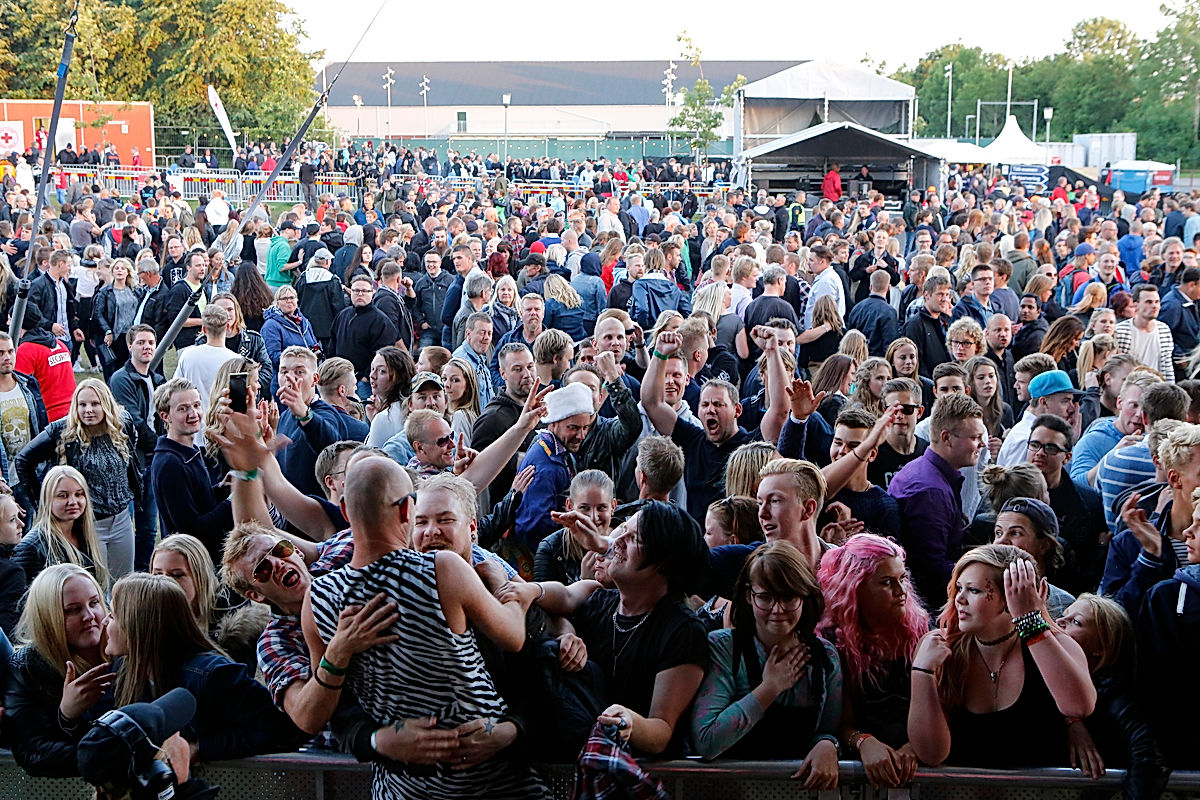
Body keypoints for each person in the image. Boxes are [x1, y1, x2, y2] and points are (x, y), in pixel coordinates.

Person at [304, 457, 547, 798]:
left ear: (344, 510)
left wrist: (512, 730)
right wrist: (516, 593)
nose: (432, 531)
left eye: (445, 520)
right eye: (422, 519)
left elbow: (320, 708)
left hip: (403, 789)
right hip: (492, 785)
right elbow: (514, 637)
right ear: (408, 511)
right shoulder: (443, 569)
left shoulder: (317, 597)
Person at [506, 501, 710, 757]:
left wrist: (628, 721)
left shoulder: (683, 631)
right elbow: (565, 596)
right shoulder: (600, 598)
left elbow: (661, 730)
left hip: (632, 764)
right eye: (623, 529)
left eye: (634, 538)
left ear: (663, 564)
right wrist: (534, 593)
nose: (617, 541)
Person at [907, 545, 1096, 768]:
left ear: (1011, 598)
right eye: (958, 588)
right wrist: (922, 673)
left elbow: (1078, 707)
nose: (959, 599)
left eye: (973, 590)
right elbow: (931, 754)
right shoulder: (937, 648)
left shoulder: (1056, 643)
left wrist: (1031, 622)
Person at [689, 541, 841, 788]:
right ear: (749, 596)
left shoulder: (825, 657)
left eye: (788, 597)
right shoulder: (724, 648)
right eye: (765, 597)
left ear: (805, 596)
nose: (777, 610)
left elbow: (829, 728)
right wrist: (769, 688)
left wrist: (827, 744)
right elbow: (706, 741)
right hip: (729, 790)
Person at [103, 573, 301, 761]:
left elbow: (282, 727)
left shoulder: (211, 675)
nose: (104, 621)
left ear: (137, 625)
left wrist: (200, 748)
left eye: (112, 616)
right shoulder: (122, 672)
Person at [643, 327, 788, 524]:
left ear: (737, 410)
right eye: (705, 405)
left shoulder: (751, 446)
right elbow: (651, 403)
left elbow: (780, 411)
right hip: (699, 540)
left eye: (718, 404)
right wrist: (659, 353)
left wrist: (772, 351)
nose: (710, 410)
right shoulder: (692, 440)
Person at [817, 534, 927, 787]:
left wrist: (915, 745)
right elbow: (836, 722)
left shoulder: (920, 633)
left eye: (902, 579)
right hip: (854, 774)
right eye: (887, 582)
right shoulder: (832, 642)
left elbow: (943, 707)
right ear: (855, 588)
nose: (901, 591)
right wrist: (863, 741)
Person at [15, 380, 139, 578]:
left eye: (95, 404)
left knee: (124, 580)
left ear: (106, 404)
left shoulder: (122, 424)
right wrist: (43, 502)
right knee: (94, 580)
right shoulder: (62, 431)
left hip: (121, 518)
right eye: (82, 404)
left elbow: (131, 460)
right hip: (87, 524)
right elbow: (23, 460)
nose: (88, 410)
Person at [5, 564, 115, 777]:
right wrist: (67, 718)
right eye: (73, 610)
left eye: (94, 603)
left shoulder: (125, 648)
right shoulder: (26, 667)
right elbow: (33, 752)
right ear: (48, 618)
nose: (89, 616)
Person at [1054, 594, 1170, 794]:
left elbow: (1149, 755)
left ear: (1101, 647)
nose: (1059, 622)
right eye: (1064, 614)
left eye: (1076, 622)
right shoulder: (1042, 673)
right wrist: (1071, 720)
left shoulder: (1112, 695)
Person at [889, 393, 987, 603]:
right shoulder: (930, 492)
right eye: (975, 438)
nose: (983, 444)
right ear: (946, 438)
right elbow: (931, 571)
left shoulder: (925, 472)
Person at [1135, 497, 1200, 769]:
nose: (1188, 532)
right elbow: (1151, 689)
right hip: (1184, 754)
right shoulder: (1165, 599)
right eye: (1192, 522)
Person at [149, 378, 233, 565]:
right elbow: (192, 529)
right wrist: (231, 502)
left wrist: (221, 488)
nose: (193, 414)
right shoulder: (170, 464)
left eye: (196, 405)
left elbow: (196, 501)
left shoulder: (188, 451)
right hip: (194, 564)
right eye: (183, 409)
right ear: (165, 416)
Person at [275, 346, 369, 497]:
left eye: (299, 372)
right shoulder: (284, 416)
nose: (290, 377)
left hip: (314, 506)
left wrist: (304, 414)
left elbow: (332, 446)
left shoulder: (325, 412)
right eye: (284, 372)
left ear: (314, 379)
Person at [534, 470, 615, 585]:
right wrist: (585, 584)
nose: (593, 517)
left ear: (613, 507)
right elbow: (545, 595)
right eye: (584, 508)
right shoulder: (551, 549)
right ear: (570, 506)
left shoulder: (625, 542)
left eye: (601, 508)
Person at [996, 370, 1082, 468]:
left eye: (1072, 401)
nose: (1072, 408)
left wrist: (1069, 441)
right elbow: (1017, 478)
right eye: (1065, 401)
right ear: (1043, 402)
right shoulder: (1025, 439)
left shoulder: (1034, 434)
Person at [331, 274, 398, 397]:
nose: (360, 294)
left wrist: (366, 377)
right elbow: (333, 344)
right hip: (339, 378)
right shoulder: (343, 315)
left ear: (372, 293)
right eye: (356, 290)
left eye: (364, 291)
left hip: (364, 383)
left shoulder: (380, 320)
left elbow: (384, 353)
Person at [174, 305, 240, 416]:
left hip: (193, 421)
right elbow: (239, 403)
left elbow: (176, 389)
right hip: (224, 422)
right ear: (228, 326)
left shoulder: (188, 355)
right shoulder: (237, 361)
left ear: (203, 329)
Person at [16, 305, 76, 422]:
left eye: (10, 319)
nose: (8, 323)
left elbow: (19, 390)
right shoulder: (59, 344)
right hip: (73, 411)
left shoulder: (25, 350)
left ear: (18, 322)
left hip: (49, 418)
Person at [1114, 283, 1175, 380]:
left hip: (1157, 386)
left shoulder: (1164, 330)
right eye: (1149, 302)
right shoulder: (1121, 331)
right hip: (1130, 385)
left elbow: (1167, 367)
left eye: (1157, 302)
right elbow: (1115, 366)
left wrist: (1170, 387)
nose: (1154, 306)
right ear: (1136, 305)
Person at [294, 247, 347, 352]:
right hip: (327, 327)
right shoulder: (332, 280)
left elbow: (296, 299)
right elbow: (338, 305)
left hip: (306, 324)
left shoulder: (304, 278)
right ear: (327, 262)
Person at [161, 251, 214, 351]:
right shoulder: (179, 289)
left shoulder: (204, 288)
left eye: (204, 265)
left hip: (204, 340)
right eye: (198, 265)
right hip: (186, 343)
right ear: (188, 267)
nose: (202, 268)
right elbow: (176, 320)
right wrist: (203, 321)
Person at [902, 274, 953, 378]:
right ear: (927, 295)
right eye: (940, 294)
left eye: (947, 295)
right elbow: (917, 364)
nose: (945, 299)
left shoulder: (947, 321)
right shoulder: (915, 325)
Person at [365, 346, 414, 447]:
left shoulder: (385, 417)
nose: (372, 375)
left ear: (399, 377)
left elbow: (372, 454)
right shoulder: (386, 415)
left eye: (382, 371)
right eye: (372, 368)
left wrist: (378, 420)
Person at [847, 270, 900, 357]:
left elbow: (850, 336)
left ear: (870, 287)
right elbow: (890, 344)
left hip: (857, 358)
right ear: (888, 288)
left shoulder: (857, 308)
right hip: (877, 360)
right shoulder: (889, 311)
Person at [453, 311, 496, 410]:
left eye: (489, 333)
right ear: (468, 334)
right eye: (482, 333)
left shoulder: (480, 359)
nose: (487, 338)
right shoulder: (460, 362)